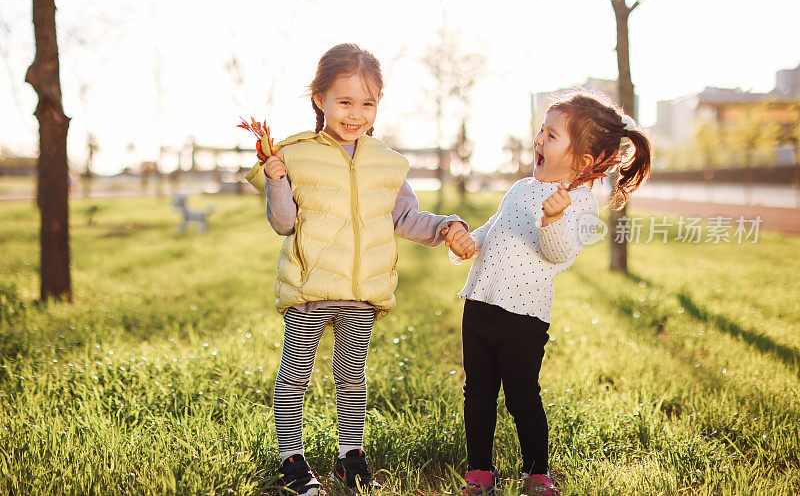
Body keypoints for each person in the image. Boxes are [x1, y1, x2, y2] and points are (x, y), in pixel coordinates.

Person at [244, 43, 474, 496]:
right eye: (344, 101)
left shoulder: (386, 163)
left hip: (362, 293)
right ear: (319, 100)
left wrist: (446, 226)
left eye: (366, 103)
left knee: (352, 375)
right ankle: (293, 460)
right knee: (297, 373)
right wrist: (275, 180)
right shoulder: (294, 154)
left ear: (378, 105)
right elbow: (284, 222)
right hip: (311, 288)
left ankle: (351, 457)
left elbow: (407, 218)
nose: (355, 114)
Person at [444, 92, 652, 495]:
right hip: (480, 306)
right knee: (478, 394)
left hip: (524, 317)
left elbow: (558, 253)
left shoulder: (582, 206)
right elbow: (494, 231)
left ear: (584, 161)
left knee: (522, 397)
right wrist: (467, 243)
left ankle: (537, 471)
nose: (539, 139)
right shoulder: (521, 188)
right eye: (541, 130)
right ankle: (480, 471)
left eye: (552, 134)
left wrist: (553, 219)